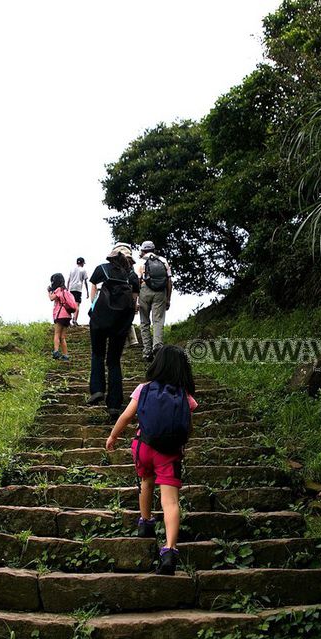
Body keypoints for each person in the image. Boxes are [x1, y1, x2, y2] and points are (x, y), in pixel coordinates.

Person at [105, 345, 197, 575]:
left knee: (146, 483)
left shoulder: (143, 389)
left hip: (144, 446)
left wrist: (113, 436)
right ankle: (169, 550)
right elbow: (188, 423)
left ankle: (145, 523)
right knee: (170, 501)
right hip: (170, 452)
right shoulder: (184, 394)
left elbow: (126, 416)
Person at [86, 243, 140, 420]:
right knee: (114, 361)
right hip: (120, 323)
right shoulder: (131, 275)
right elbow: (133, 301)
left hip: (100, 319)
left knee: (97, 354)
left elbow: (93, 286)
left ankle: (97, 389)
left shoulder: (102, 268)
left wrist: (94, 306)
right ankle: (115, 405)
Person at [135, 240, 173, 363]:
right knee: (158, 321)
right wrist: (168, 298)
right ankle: (158, 347)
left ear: (142, 251)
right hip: (160, 291)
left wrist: (135, 301)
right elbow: (169, 281)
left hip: (144, 290)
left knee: (144, 321)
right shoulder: (163, 261)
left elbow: (136, 282)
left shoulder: (139, 263)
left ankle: (147, 352)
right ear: (154, 249)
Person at [48, 273, 76, 361]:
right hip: (67, 315)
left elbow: (51, 298)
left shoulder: (59, 290)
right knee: (63, 337)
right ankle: (65, 355)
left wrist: (49, 291)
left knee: (57, 334)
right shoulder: (66, 291)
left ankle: (56, 352)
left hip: (60, 314)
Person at [66, 257, 88, 326]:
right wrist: (87, 291)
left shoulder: (72, 269)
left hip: (71, 288)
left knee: (69, 304)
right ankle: (74, 320)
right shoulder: (83, 270)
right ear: (82, 263)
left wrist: (67, 289)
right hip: (78, 289)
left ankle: (68, 319)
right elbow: (85, 281)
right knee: (77, 305)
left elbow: (68, 280)